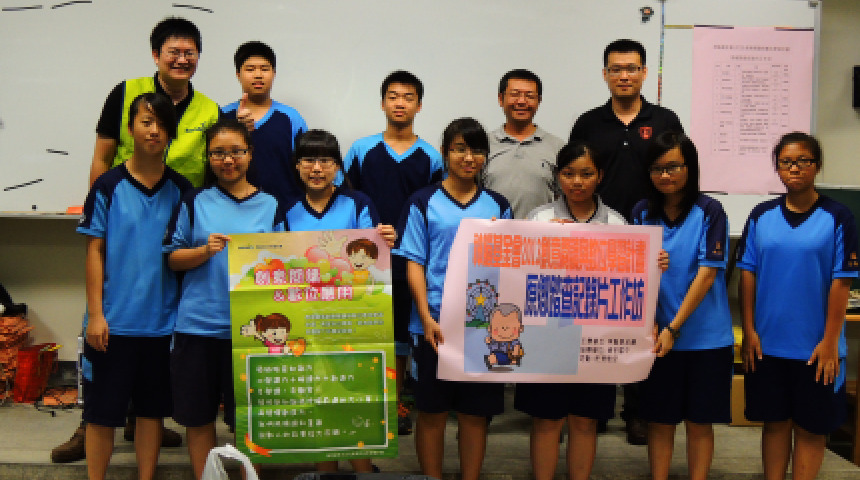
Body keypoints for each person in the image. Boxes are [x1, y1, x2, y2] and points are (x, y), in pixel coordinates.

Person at [568, 38, 683, 445]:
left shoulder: (665, 119)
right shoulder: (589, 123)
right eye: (615, 69)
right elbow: (574, 174)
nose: (624, 76)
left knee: (642, 320)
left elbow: (677, 172)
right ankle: (593, 408)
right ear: (605, 74)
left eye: (632, 68)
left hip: (647, 235)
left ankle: (638, 412)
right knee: (594, 320)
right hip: (597, 235)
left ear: (644, 73)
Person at [76, 92, 192, 480]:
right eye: (146, 122)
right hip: (111, 325)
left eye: (162, 123)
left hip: (163, 325)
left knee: (151, 412)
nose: (154, 130)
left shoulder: (182, 190)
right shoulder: (107, 186)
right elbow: (95, 251)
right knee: (101, 414)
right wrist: (96, 315)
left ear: (171, 132)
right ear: (130, 129)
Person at [164, 118, 287, 480]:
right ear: (208, 157)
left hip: (254, 332)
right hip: (198, 327)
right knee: (198, 417)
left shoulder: (270, 205)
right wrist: (204, 251)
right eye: (218, 153)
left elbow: (286, 265)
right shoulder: (194, 200)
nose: (228, 160)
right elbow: (172, 258)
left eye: (236, 151)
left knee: (251, 420)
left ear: (250, 154)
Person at [394, 118, 512, 480]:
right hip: (434, 326)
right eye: (460, 149)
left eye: (476, 150)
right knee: (432, 413)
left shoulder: (498, 205)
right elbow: (415, 263)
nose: (468, 157)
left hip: (482, 329)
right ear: (446, 153)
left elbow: (510, 266)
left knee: (475, 415)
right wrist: (425, 317)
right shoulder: (422, 201)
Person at [737, 132, 858, 480]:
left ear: (817, 166)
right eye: (786, 162)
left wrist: (830, 342)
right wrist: (749, 330)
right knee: (774, 424)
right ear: (777, 168)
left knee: (811, 428)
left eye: (803, 161)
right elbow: (747, 274)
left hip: (817, 349)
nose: (794, 168)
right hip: (767, 346)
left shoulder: (838, 217)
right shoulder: (761, 215)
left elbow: (842, 281)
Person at [285, 129, 396, 474]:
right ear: (297, 165)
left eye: (325, 161)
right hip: (308, 324)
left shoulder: (358, 204)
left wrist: (385, 240)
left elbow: (371, 259)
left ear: (337, 166)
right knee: (320, 400)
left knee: (354, 399)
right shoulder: (286, 210)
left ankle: (363, 470)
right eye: (308, 160)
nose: (317, 168)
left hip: (352, 323)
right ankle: (326, 472)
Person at [514, 141, 626, 480]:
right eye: (569, 173)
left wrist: (654, 262)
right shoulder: (540, 219)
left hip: (595, 341)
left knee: (585, 421)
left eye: (586, 174)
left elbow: (627, 282)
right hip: (547, 338)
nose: (577, 182)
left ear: (600, 176)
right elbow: (519, 273)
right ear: (558, 176)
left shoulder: (618, 224)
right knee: (546, 420)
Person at [343, 70, 445, 435]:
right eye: (393, 96)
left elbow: (435, 209)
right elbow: (345, 199)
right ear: (382, 102)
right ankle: (366, 401)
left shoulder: (431, 157)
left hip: (408, 261)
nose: (400, 103)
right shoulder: (361, 150)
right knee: (366, 331)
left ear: (419, 105)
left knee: (401, 335)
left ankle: (396, 402)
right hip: (363, 261)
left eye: (408, 97)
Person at [632, 131, 733, 480]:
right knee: (659, 421)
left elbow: (707, 274)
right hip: (657, 338)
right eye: (657, 168)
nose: (665, 175)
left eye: (673, 167)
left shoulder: (710, 211)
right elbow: (633, 272)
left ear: (690, 167)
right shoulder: (642, 212)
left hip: (706, 340)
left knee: (699, 422)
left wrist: (674, 328)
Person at [87, 17, 219, 188]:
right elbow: (101, 159)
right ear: (156, 55)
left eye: (189, 53)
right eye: (173, 52)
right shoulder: (124, 92)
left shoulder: (211, 110)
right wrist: (98, 201)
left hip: (183, 202)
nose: (182, 60)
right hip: (125, 199)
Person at [221, 41, 308, 204]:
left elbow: (307, 165)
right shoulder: (223, 116)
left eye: (264, 69)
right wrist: (237, 130)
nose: (258, 75)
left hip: (285, 209)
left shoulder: (290, 117)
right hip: (233, 207)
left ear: (274, 73)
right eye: (250, 69)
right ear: (238, 74)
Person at [482, 69, 564, 219]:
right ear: (501, 99)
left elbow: (564, 199)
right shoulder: (483, 145)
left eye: (530, 96)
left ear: (539, 101)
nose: (521, 101)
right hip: (494, 232)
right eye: (515, 94)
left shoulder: (557, 147)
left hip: (540, 232)